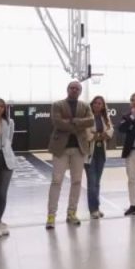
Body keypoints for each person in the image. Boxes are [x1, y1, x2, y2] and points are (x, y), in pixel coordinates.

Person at [45, 81, 94, 229]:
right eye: (72, 88)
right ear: (67, 89)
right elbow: (58, 123)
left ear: (80, 91)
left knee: (77, 182)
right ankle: (51, 216)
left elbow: (91, 121)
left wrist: (73, 121)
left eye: (77, 88)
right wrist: (79, 125)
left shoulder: (85, 106)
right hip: (61, 148)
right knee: (56, 181)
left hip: (79, 149)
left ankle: (71, 213)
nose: (74, 90)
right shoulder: (57, 105)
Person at [0, 98, 16, 239]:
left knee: (2, 193)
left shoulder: (10, 122)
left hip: (7, 159)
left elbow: (9, 140)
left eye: (2, 106)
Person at [85, 95, 114, 219]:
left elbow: (110, 131)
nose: (97, 105)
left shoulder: (105, 118)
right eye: (95, 103)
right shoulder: (86, 117)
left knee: (97, 183)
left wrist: (101, 135)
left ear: (103, 106)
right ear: (92, 104)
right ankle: (93, 209)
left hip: (101, 153)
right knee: (92, 183)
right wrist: (98, 136)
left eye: (100, 103)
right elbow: (87, 134)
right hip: (89, 154)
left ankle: (97, 207)